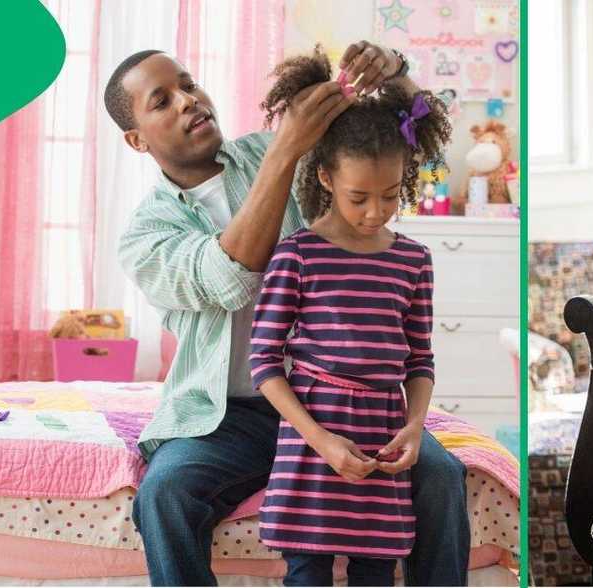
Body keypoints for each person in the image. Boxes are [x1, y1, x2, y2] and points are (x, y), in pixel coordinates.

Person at [109, 40, 469, 586]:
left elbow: (399, 130)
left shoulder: (283, 146)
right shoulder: (146, 234)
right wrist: (284, 152)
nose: (187, 100)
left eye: (188, 82)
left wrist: (392, 69)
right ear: (136, 139)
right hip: (227, 416)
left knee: (441, 476)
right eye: (161, 101)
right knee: (166, 493)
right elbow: (231, 277)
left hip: (342, 397)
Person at [248, 46, 451, 587]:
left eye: (389, 196)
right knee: (308, 571)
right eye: (360, 197)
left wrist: (414, 426)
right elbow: (264, 362)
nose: (375, 212)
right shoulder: (298, 254)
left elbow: (420, 358)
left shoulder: (413, 260)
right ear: (326, 179)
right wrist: (321, 440)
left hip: (383, 432)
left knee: (375, 571)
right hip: (315, 437)